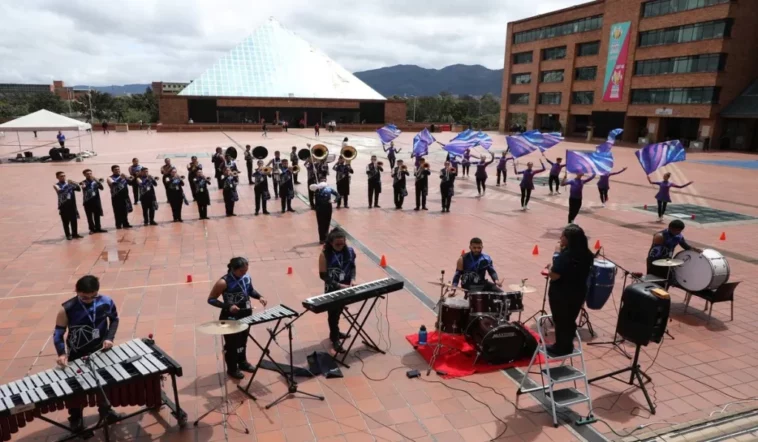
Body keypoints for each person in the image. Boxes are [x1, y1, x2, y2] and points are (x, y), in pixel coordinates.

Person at [54, 275, 121, 432]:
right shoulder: (67, 308)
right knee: (76, 389)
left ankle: (106, 410)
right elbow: (58, 334)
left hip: (101, 350)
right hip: (77, 353)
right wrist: (62, 354)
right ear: (77, 291)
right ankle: (75, 417)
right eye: (84, 297)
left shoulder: (106, 302)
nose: (89, 300)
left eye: (93, 296)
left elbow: (114, 320)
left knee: (105, 382)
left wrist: (110, 337)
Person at [207, 257, 268, 379]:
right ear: (233, 269)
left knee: (242, 341)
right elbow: (211, 299)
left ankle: (243, 362)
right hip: (230, 316)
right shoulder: (223, 282)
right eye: (241, 271)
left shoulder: (246, 277)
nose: (244, 273)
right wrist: (228, 306)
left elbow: (250, 290)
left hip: (245, 314)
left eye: (246, 270)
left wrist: (259, 296)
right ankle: (232, 368)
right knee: (232, 344)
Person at [546, 224, 595, 356]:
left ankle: (561, 347)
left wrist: (553, 260)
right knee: (570, 319)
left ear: (569, 239)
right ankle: (567, 345)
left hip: (562, 294)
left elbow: (555, 274)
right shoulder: (587, 254)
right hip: (578, 292)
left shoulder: (566, 255)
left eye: (563, 236)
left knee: (561, 320)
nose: (560, 238)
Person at [319, 228, 355, 352]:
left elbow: (353, 266)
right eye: (337, 244)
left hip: (346, 286)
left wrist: (353, 279)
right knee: (332, 314)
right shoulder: (325, 255)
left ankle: (336, 332)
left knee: (339, 311)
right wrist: (339, 286)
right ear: (330, 243)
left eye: (342, 243)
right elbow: (323, 276)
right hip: (332, 288)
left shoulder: (350, 251)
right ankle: (335, 339)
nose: (340, 246)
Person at [54, 172, 82, 240]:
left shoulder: (70, 184)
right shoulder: (56, 185)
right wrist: (68, 185)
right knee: (65, 221)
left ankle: (75, 234)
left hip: (72, 204)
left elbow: (78, 189)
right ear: (57, 177)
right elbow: (60, 191)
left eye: (64, 176)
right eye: (61, 176)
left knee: (74, 220)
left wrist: (74, 183)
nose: (63, 177)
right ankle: (68, 235)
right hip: (63, 205)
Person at [313, 179, 340, 244]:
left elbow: (338, 195)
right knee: (323, 224)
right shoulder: (317, 189)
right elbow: (338, 195)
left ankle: (323, 238)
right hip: (323, 208)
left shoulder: (325, 189)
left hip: (323, 208)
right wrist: (335, 200)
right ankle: (323, 238)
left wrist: (334, 201)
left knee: (324, 223)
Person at [80, 169, 107, 234]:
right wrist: (83, 185)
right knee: (89, 216)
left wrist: (97, 181)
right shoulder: (83, 182)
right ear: (84, 175)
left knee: (97, 215)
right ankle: (92, 229)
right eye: (87, 174)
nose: (89, 175)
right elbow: (83, 187)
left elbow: (102, 188)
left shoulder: (95, 182)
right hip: (87, 201)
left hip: (96, 200)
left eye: (90, 173)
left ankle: (98, 228)